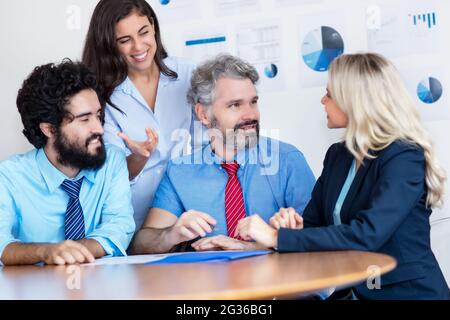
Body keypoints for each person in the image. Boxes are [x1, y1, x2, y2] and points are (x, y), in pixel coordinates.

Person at [235, 53, 450, 299]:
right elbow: (315, 225)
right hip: (354, 291)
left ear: (354, 102)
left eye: (330, 94)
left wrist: (276, 237)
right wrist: (287, 229)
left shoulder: (404, 157)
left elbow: (367, 234)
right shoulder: (338, 155)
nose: (322, 100)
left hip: (404, 294)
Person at [130, 54, 316, 254]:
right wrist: (171, 234)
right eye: (235, 105)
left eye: (253, 102)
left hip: (282, 283)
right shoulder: (180, 171)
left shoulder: (287, 160)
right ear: (203, 114)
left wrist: (258, 246)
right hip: (214, 283)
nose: (250, 115)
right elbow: (141, 243)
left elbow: (319, 237)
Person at [0, 61, 135, 266]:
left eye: (98, 116)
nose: (98, 128)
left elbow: (119, 226)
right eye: (84, 119)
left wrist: (75, 251)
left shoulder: (112, 161)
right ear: (49, 129)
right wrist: (46, 252)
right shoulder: (9, 176)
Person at [82, 0, 201, 229]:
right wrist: (139, 157)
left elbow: (206, 146)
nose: (138, 47)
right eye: (124, 40)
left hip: (188, 212)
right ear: (110, 45)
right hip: (132, 220)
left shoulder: (187, 74)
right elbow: (110, 175)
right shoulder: (102, 95)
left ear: (153, 27)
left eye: (143, 32)